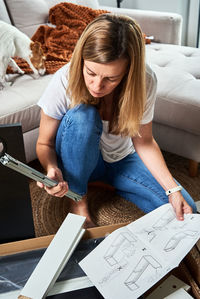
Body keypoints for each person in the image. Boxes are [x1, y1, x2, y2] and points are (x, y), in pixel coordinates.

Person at [36, 13, 197, 227]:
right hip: (79, 161)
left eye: (110, 78)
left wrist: (173, 190)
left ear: (128, 72)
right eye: (90, 72)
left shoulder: (144, 81)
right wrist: (51, 167)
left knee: (186, 212)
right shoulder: (64, 79)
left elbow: (144, 141)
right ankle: (78, 199)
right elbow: (44, 143)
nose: (96, 86)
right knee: (83, 115)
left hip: (121, 160)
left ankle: (111, 183)